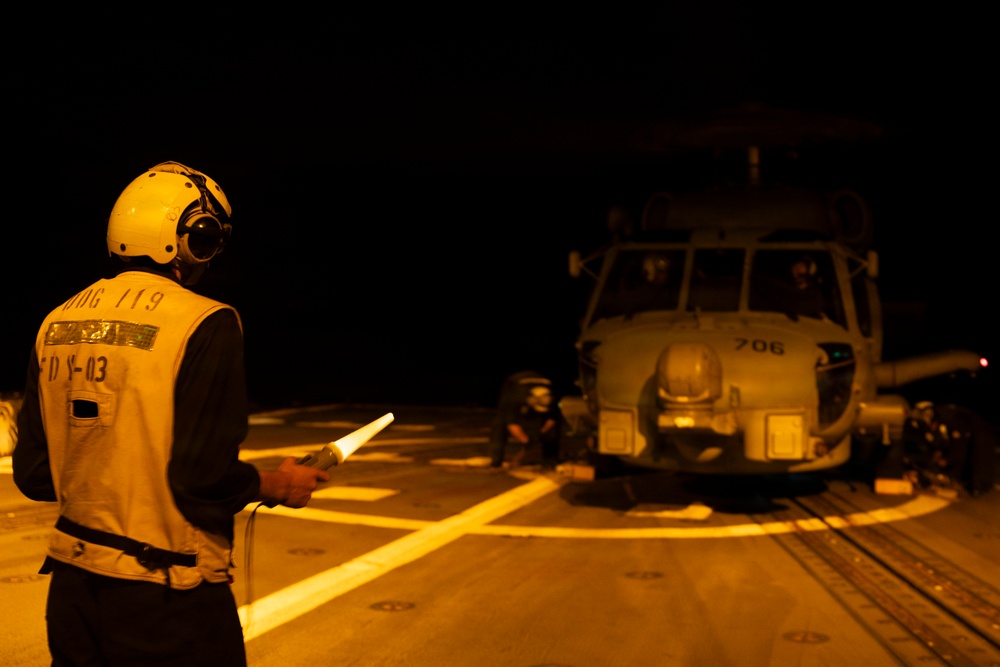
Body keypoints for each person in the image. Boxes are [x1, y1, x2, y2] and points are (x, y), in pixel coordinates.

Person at [12, 161, 330, 666]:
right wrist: (276, 484)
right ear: (193, 238)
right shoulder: (204, 321)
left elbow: (33, 473)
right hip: (165, 595)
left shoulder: (57, 320)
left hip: (72, 587)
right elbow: (201, 474)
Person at [903, 401, 997, 497]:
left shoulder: (950, 419)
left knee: (979, 454)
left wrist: (947, 461)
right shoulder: (933, 423)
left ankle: (978, 487)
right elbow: (939, 444)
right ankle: (958, 480)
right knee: (943, 459)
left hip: (978, 428)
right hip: (961, 433)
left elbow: (959, 449)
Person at [488, 370, 560, 469]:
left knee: (553, 432)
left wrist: (543, 432)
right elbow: (512, 424)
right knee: (500, 424)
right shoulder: (514, 398)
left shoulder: (551, 398)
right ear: (529, 399)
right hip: (513, 383)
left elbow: (552, 419)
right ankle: (496, 460)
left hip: (539, 382)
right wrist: (526, 441)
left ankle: (550, 461)